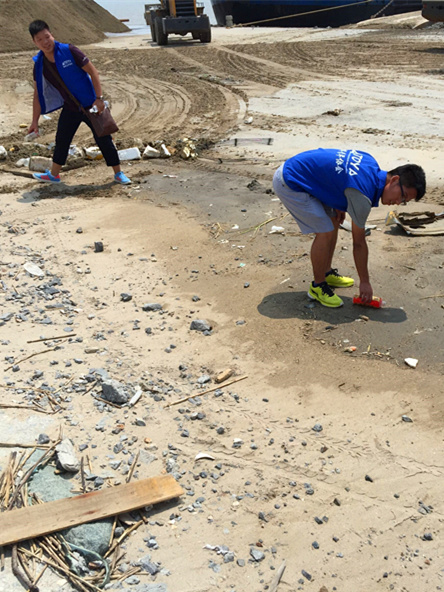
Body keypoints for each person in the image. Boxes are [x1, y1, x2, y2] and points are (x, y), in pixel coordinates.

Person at [273, 148, 426, 308]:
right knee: (324, 232)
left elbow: (340, 176)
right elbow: (358, 243)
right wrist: (365, 282)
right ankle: (317, 287)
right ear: (394, 180)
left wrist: (339, 201)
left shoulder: (370, 162)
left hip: (301, 170)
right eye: (403, 196)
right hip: (290, 181)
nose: (398, 202)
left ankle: (326, 272)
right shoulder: (363, 196)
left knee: (334, 220)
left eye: (404, 202)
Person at [28, 20, 131, 185]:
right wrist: (34, 121)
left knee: (104, 139)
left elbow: (93, 72)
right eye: (39, 39)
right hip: (70, 108)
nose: (45, 42)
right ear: (34, 42)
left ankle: (118, 173)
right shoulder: (40, 65)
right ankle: (54, 175)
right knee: (62, 140)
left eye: (47, 37)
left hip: (91, 105)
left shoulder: (69, 50)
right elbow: (37, 95)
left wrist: (99, 99)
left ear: (52, 35)